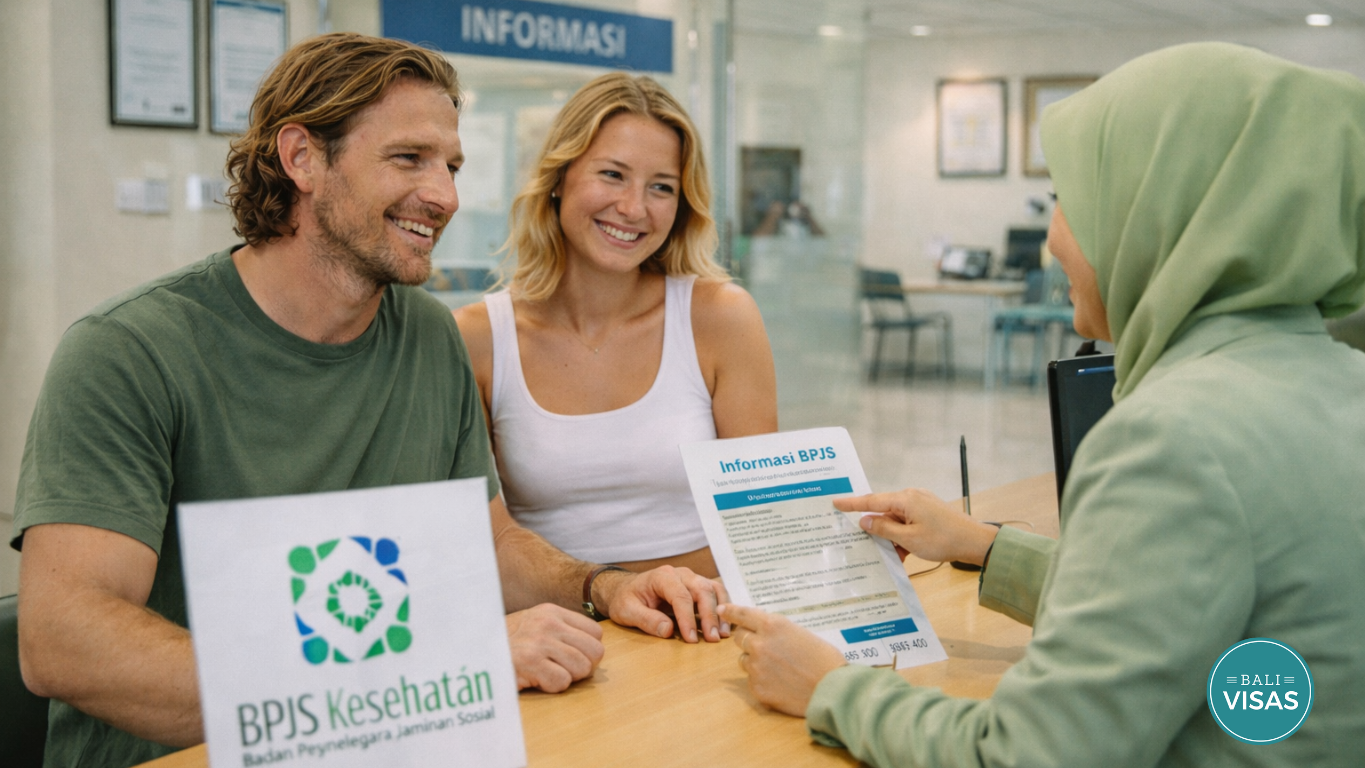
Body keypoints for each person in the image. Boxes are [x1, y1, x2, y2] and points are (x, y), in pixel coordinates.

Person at [12, 34, 728, 768]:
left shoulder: (426, 335)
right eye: (408, 158)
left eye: (450, 165)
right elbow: (63, 643)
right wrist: (439, 666)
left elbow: (491, 542)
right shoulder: (127, 354)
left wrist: (603, 587)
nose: (445, 195)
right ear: (302, 159)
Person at [720, 42, 1365, 766]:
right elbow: (1170, 608)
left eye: (1073, 198)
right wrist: (984, 546)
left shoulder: (1173, 439)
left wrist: (831, 689)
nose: (1051, 240)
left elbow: (1032, 755)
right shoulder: (1339, 381)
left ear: (1153, 213)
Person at [454, 74, 776, 578]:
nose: (633, 208)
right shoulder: (478, 338)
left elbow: (762, 519)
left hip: (704, 623)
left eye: (661, 187)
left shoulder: (720, 318)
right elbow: (475, 536)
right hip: (564, 632)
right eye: (612, 174)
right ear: (559, 177)